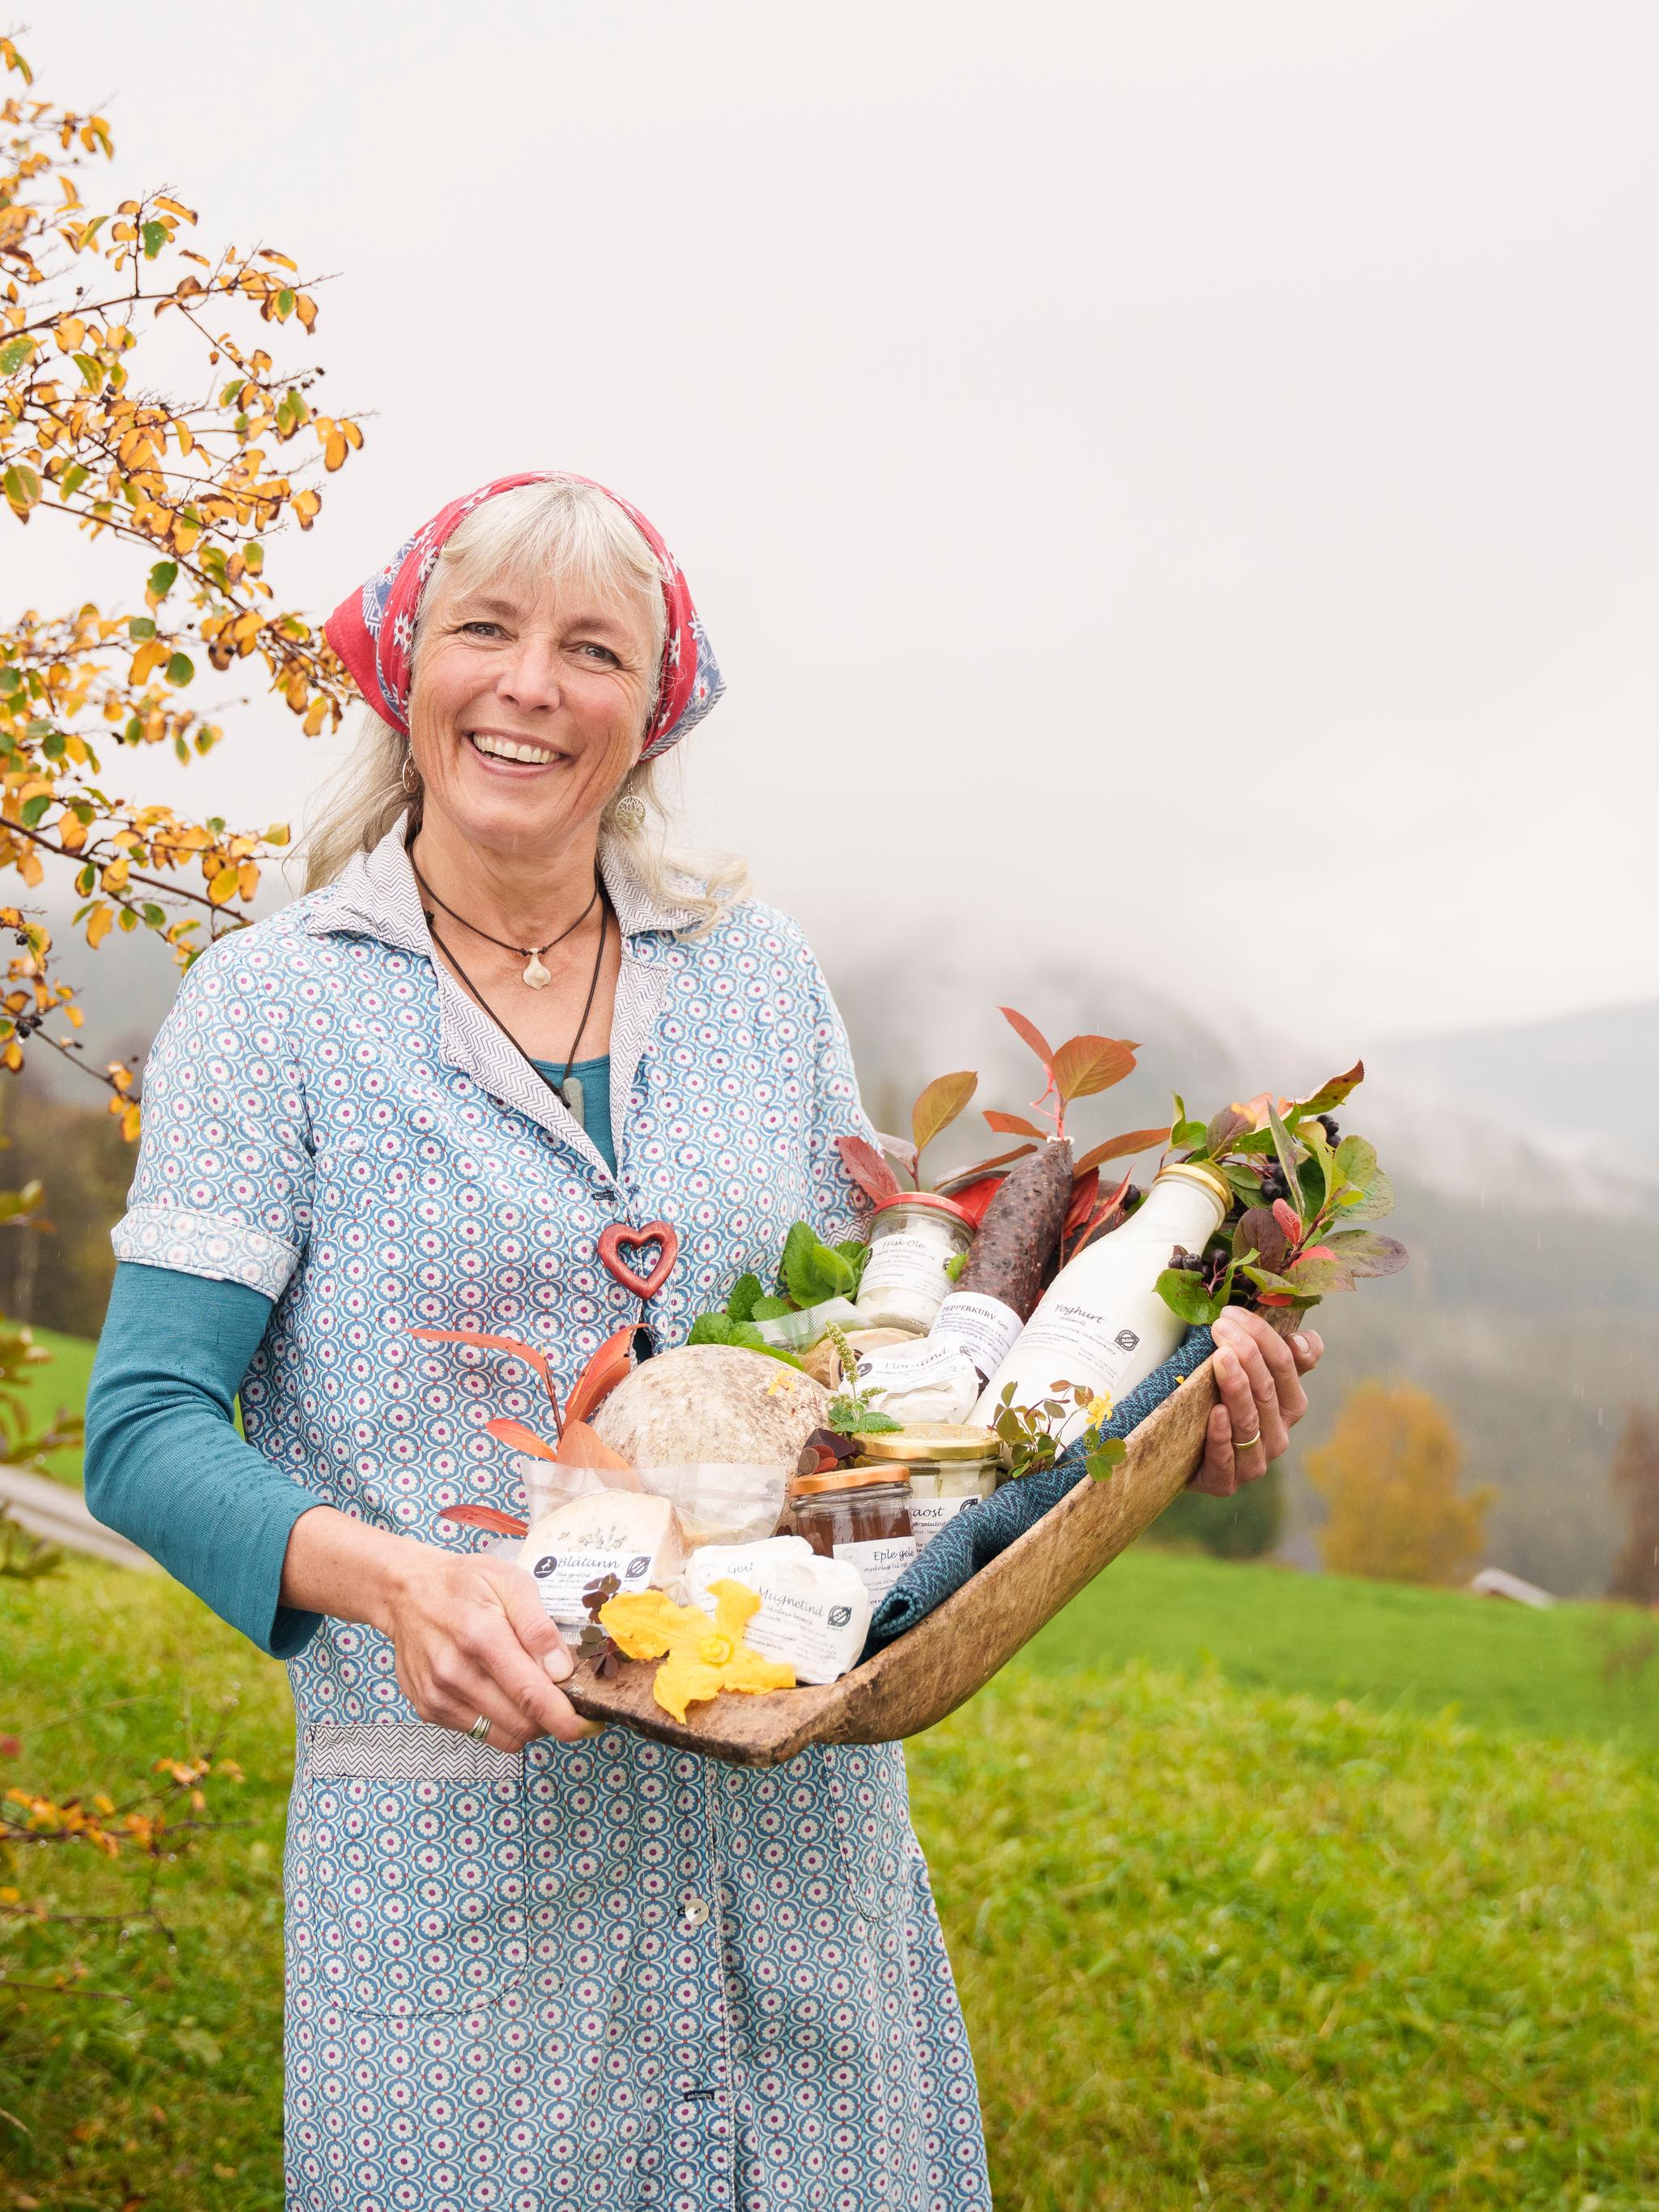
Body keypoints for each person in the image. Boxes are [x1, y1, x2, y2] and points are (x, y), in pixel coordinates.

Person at [84, 472, 1320, 2212]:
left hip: (795, 1851)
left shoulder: (752, 978)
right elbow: (141, 1429)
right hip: (464, 1869)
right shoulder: (276, 1010)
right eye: (487, 630)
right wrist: (399, 1586)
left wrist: (1163, 1408)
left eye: (594, 648)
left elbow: (879, 1386)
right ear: (402, 668)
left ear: (650, 713)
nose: (531, 685)